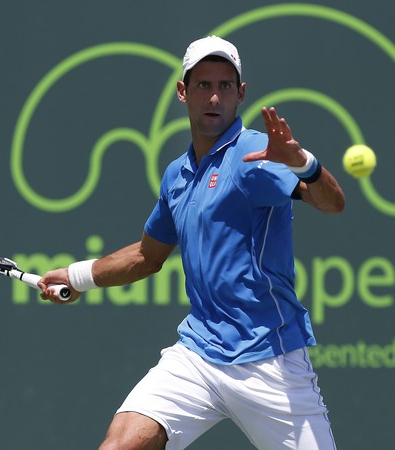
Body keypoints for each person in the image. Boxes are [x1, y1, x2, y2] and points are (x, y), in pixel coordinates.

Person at [39, 35, 345, 450]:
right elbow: (147, 256)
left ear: (241, 94)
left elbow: (331, 204)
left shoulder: (255, 151)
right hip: (198, 355)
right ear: (183, 92)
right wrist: (77, 277)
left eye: (224, 86)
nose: (214, 96)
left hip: (270, 360)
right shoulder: (177, 174)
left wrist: (304, 164)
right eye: (203, 85)